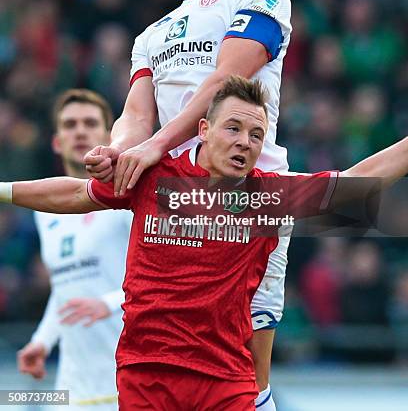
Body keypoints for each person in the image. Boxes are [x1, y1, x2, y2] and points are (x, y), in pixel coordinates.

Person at [2, 76, 407, 410]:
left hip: (225, 381)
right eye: (233, 128)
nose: (245, 142)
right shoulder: (154, 177)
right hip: (147, 374)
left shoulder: (267, 198)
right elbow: (74, 194)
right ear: (203, 129)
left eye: (256, 135)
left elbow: (355, 184)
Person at [85, 0, 291, 410]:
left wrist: (154, 145)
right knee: (173, 357)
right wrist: (118, 151)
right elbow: (135, 114)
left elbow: (227, 79)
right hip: (176, 204)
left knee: (246, 364)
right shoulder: (152, 34)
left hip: (248, 203)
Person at [16, 90, 132, 411]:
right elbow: (65, 288)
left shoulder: (127, 198)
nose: (79, 131)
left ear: (110, 137)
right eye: (69, 124)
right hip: (71, 390)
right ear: (56, 142)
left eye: (90, 123)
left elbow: (165, 277)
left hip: (128, 384)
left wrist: (107, 304)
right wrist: (42, 340)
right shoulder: (44, 211)